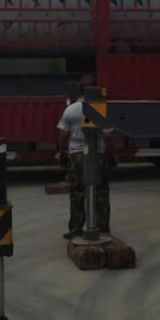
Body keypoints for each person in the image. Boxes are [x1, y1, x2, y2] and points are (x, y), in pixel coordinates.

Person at [56, 73, 116, 239]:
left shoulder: (71, 109)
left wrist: (62, 154)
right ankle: (103, 229)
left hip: (77, 155)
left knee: (77, 194)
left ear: (80, 89)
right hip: (98, 154)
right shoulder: (101, 109)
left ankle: (75, 230)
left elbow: (63, 135)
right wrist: (112, 155)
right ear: (97, 88)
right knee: (101, 193)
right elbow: (108, 136)